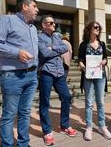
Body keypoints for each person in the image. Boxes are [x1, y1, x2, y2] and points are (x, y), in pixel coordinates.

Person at [0, 0, 39, 147]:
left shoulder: (33, 28)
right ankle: (7, 145)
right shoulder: (6, 20)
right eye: (34, 6)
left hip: (31, 76)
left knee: (25, 112)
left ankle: (23, 143)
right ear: (25, 7)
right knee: (9, 115)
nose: (37, 9)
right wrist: (16, 53)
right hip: (12, 76)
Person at [38, 15, 77, 146]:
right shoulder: (39, 37)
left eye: (54, 23)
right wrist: (55, 50)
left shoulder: (57, 36)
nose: (54, 25)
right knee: (45, 101)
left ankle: (64, 125)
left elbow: (64, 48)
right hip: (46, 71)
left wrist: (52, 48)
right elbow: (44, 54)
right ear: (44, 25)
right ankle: (47, 131)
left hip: (60, 72)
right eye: (51, 23)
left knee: (66, 97)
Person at [78, 21, 111, 141]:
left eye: (99, 27)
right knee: (88, 102)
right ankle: (88, 127)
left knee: (100, 102)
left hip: (100, 76)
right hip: (88, 76)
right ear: (89, 29)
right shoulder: (83, 45)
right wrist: (83, 67)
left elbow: (105, 59)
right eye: (95, 27)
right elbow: (80, 60)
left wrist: (104, 62)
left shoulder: (102, 44)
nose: (98, 29)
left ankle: (102, 126)